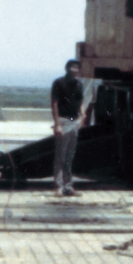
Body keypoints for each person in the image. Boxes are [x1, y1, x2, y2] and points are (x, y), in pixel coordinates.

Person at [51, 58, 87, 197]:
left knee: (70, 157)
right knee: (60, 156)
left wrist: (83, 115)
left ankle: (68, 186)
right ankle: (58, 186)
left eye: (77, 67)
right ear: (67, 68)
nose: (74, 70)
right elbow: (54, 104)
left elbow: (81, 102)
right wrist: (57, 124)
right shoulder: (59, 83)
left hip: (74, 121)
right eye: (72, 67)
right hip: (63, 120)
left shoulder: (79, 84)